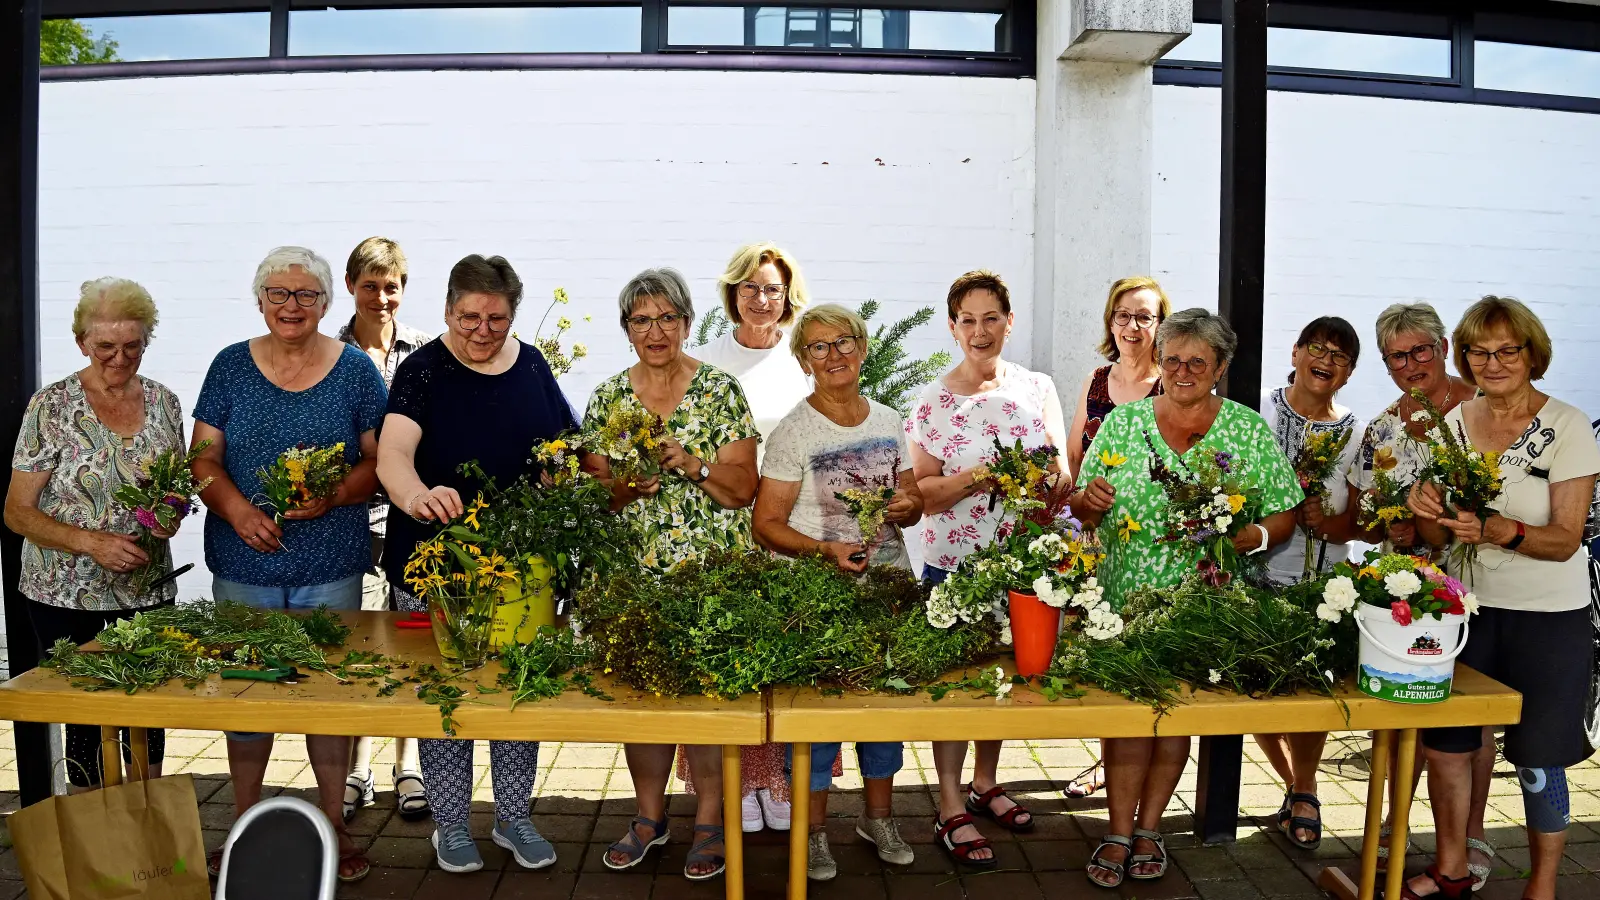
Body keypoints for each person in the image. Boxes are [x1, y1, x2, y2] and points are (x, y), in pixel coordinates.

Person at [1071, 308, 1302, 890]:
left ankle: (1150, 830)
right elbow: (1082, 504)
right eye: (1172, 359)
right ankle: (1118, 831)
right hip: (1124, 600)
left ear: (1220, 367)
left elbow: (1287, 512)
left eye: (1197, 361)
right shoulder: (1124, 424)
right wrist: (1090, 501)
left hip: (1203, 606)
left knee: (1173, 715)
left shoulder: (1246, 429)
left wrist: (1256, 536)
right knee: (1126, 717)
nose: (1182, 371)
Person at [190, 247, 386, 882]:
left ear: (327, 304)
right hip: (243, 563)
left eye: (305, 296)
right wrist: (238, 511)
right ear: (260, 301)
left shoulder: (356, 371)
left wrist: (331, 495)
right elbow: (203, 460)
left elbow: (380, 462)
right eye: (278, 294)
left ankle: (333, 828)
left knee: (327, 701)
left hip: (330, 565)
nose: (291, 306)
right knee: (248, 702)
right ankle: (245, 825)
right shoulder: (228, 367)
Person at [377, 254, 575, 875]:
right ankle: (452, 824)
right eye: (469, 317)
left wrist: (559, 470)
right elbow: (392, 455)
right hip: (435, 566)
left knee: (516, 694)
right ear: (447, 311)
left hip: (520, 570)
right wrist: (417, 496)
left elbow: (564, 440)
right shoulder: (422, 370)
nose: (482, 330)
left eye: (497, 318)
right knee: (446, 697)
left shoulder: (533, 364)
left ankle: (515, 818)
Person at [1405, 296, 1600, 900]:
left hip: (1548, 618)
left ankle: (1540, 886)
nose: (1491, 363)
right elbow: (1439, 534)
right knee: (1448, 745)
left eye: (1506, 350)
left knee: (1539, 758)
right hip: (1468, 610)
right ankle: (1453, 868)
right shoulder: (1457, 422)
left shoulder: (1568, 426)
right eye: (1478, 352)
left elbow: (1567, 539)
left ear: (1531, 354)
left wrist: (1500, 530)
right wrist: (1427, 512)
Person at [586, 268, 759, 881]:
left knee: (709, 700)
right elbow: (595, 495)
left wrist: (693, 463)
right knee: (643, 699)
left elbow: (743, 491)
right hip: (633, 573)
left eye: (666, 318)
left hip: (711, 576)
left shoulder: (719, 391)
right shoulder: (607, 399)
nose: (655, 330)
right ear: (627, 330)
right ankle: (649, 816)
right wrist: (627, 487)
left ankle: (709, 819)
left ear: (687, 323)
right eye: (641, 320)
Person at [753, 303, 924, 882]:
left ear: (863, 347)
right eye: (818, 347)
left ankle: (878, 819)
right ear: (804, 360)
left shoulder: (890, 419)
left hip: (888, 590)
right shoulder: (793, 431)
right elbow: (766, 523)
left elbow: (912, 499)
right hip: (819, 596)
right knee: (817, 724)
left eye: (844, 341)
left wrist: (910, 503)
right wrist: (825, 551)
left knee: (884, 714)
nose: (834, 355)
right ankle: (815, 832)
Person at [906, 270, 1065, 866]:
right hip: (953, 568)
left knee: (1004, 679)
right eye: (968, 320)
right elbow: (924, 493)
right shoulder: (933, 400)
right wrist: (987, 475)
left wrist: (1044, 479)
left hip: (1022, 568)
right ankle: (949, 805)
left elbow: (1060, 476)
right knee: (952, 687)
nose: (980, 331)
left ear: (1008, 321)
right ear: (953, 327)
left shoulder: (1036, 387)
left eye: (991, 318)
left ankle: (985, 783)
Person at [5, 278, 183, 791]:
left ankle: (147, 824)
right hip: (64, 593)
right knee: (84, 717)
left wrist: (167, 515)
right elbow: (18, 512)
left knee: (148, 710)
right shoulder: (52, 406)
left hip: (146, 588)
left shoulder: (165, 403)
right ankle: (95, 841)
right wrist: (91, 542)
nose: (120, 357)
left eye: (133, 345)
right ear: (82, 341)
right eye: (105, 346)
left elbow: (170, 492)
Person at [1349, 303, 1487, 881]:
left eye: (1420, 351)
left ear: (1443, 349)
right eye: (1396, 357)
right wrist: (1387, 524)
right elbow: (1360, 512)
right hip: (1407, 590)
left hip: (1479, 583)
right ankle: (1394, 824)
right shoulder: (1382, 429)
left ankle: (1472, 839)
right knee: (1400, 706)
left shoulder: (1484, 408)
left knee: (1465, 720)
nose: (1410, 364)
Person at [689, 241, 812, 832]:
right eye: (749, 287)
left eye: (772, 288)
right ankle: (732, 785)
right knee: (724, 653)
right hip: (722, 521)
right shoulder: (707, 363)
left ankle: (775, 782)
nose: (761, 299)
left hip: (788, 526)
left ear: (787, 295)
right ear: (732, 294)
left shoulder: (805, 358)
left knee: (777, 655)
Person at [1252, 316, 1364, 851]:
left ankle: (1304, 786)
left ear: (1349, 373)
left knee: (1313, 693)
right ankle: (1291, 782)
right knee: (1257, 694)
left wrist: (1323, 521)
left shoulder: (1356, 431)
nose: (1326, 360)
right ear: (1295, 352)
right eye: (1317, 348)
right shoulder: (1258, 408)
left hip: (1322, 581)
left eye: (1339, 356)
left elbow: (1361, 523)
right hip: (1251, 572)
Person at [337, 236, 434, 825]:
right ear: (351, 286)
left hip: (411, 523)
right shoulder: (330, 352)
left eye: (391, 286)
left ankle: (411, 765)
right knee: (360, 649)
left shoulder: (423, 353)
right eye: (370, 285)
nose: (381, 296)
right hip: (349, 522)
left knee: (411, 644)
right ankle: (357, 765)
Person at [1061, 275, 1169, 800]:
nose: (1132, 325)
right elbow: (1075, 456)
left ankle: (1143, 759)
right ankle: (1108, 762)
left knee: (1150, 655)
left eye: (1144, 317)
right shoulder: (1096, 380)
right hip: (1095, 537)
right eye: (1123, 315)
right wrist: (1078, 509)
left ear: (1160, 326)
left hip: (1152, 549)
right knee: (1103, 652)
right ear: (1111, 321)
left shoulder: (1173, 386)